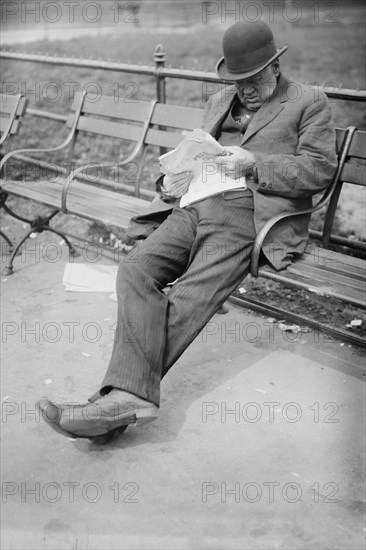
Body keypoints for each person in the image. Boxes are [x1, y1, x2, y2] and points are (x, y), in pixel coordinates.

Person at [37, 21, 337, 442]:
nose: (244, 90)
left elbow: (319, 169)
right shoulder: (219, 99)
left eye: (253, 80)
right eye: (237, 81)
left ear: (275, 65)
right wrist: (175, 177)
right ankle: (122, 405)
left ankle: (114, 402)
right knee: (135, 270)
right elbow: (199, 153)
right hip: (196, 201)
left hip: (252, 212)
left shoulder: (309, 102)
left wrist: (254, 163)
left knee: (188, 296)